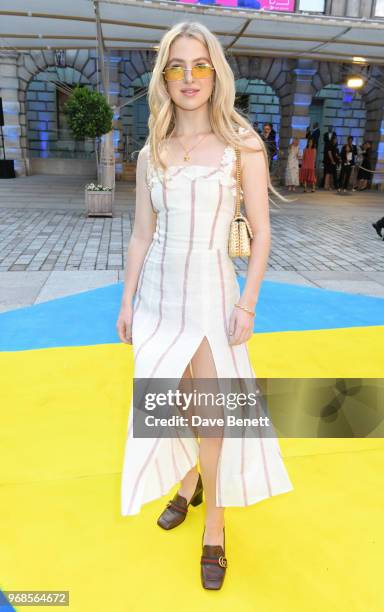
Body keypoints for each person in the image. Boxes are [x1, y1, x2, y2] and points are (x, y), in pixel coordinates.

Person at [116, 20, 294, 591]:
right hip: (160, 299)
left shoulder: (243, 144)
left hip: (215, 296)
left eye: (200, 65)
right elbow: (142, 234)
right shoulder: (152, 152)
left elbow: (261, 234)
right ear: (164, 79)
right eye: (177, 67)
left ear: (216, 72)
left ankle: (213, 527)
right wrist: (126, 301)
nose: (189, 77)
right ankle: (192, 476)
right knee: (178, 406)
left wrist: (248, 304)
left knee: (213, 414)